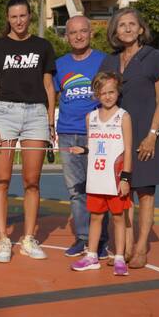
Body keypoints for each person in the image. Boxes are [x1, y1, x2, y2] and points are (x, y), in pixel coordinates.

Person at [0, 0, 56, 263]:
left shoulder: (43, 46)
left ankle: (27, 238)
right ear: (7, 19)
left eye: (23, 16)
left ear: (30, 16)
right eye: (14, 17)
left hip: (36, 114)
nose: (19, 21)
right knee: (1, 181)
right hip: (4, 114)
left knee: (31, 182)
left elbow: (49, 87)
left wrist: (50, 122)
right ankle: (3, 238)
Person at [100, 7, 159, 269]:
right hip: (117, 138)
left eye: (132, 24)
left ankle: (141, 248)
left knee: (145, 194)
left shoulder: (155, 57)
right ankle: (125, 246)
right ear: (115, 31)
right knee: (123, 194)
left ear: (141, 29)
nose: (127, 28)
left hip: (145, 134)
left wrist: (152, 134)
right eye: (121, 25)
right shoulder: (108, 61)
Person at [53, 15, 109, 259]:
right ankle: (83, 237)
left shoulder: (104, 61)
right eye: (73, 32)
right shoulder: (60, 64)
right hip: (67, 133)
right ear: (66, 36)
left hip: (96, 134)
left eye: (82, 31)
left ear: (91, 33)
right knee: (76, 191)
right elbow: (51, 95)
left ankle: (102, 240)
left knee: (100, 189)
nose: (78, 36)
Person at [70, 72, 132, 276]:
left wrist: (125, 178)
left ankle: (120, 257)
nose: (107, 96)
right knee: (95, 217)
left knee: (118, 218)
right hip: (96, 178)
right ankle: (92, 256)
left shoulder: (124, 116)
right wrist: (84, 150)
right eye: (103, 92)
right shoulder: (91, 117)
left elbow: (128, 150)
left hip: (115, 179)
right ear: (96, 94)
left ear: (118, 92)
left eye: (111, 92)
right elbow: (93, 145)